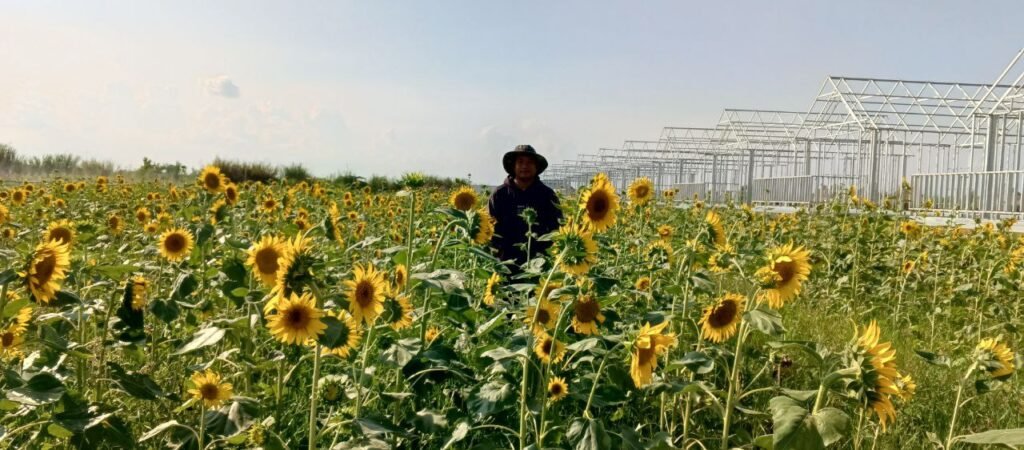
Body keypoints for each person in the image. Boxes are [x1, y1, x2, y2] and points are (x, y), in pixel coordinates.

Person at [488, 145, 563, 273]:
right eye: (520, 162)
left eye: (529, 162)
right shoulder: (500, 194)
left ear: (536, 167)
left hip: (539, 265)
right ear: (513, 166)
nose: (524, 166)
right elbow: (490, 229)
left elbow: (557, 228)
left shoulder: (547, 195)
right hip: (505, 264)